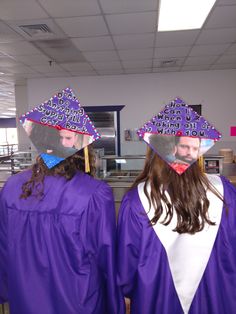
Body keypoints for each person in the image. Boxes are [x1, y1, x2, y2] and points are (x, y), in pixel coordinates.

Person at [0, 146, 124, 314]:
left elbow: (4, 252)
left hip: (25, 301)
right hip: (78, 303)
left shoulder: (11, 188)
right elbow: (105, 259)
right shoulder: (93, 193)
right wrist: (115, 304)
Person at [117, 145, 236, 314]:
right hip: (215, 297)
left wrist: (126, 293)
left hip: (156, 299)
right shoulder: (224, 191)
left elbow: (127, 264)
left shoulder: (136, 200)